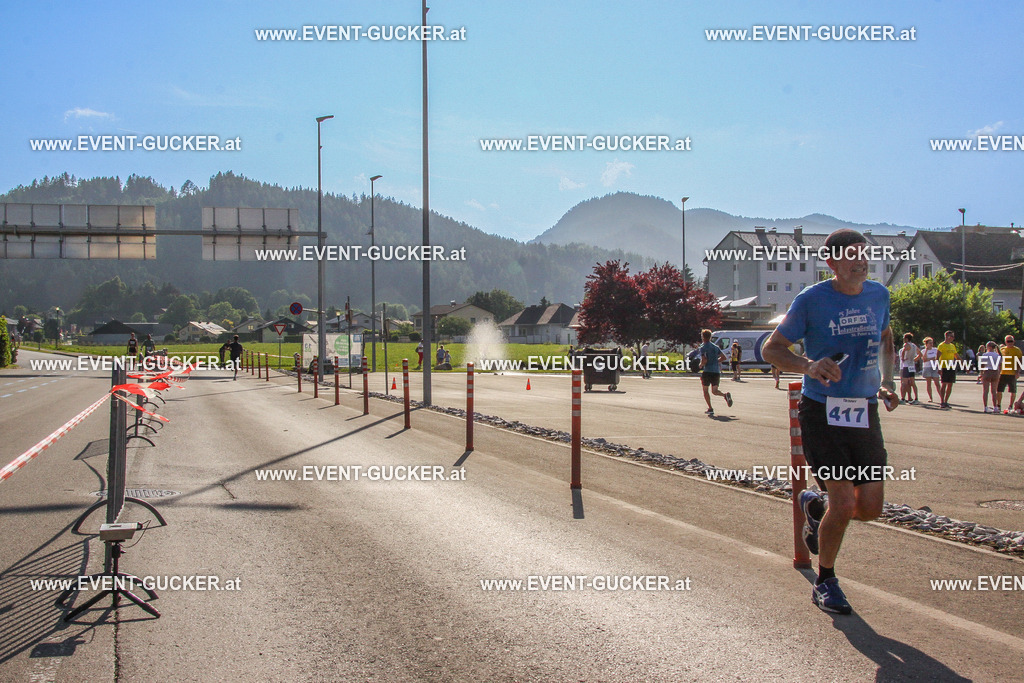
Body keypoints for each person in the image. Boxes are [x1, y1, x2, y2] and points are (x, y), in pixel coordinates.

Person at [762, 228, 899, 616]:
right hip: (822, 410)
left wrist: (887, 383)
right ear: (832, 262)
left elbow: (886, 338)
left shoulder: (879, 295)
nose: (860, 262)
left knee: (869, 507)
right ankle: (826, 580)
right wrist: (809, 365)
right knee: (843, 501)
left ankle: (816, 510)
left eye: (864, 255)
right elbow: (772, 348)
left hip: (864, 409)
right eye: (851, 256)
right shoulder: (811, 300)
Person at [697, 329, 732, 416]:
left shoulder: (703, 347)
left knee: (706, 390)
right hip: (716, 371)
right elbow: (724, 357)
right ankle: (725, 395)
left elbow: (704, 360)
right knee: (715, 390)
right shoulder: (716, 347)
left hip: (707, 371)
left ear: (703, 337)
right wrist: (716, 361)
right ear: (710, 337)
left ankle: (710, 408)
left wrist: (701, 365)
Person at [997, 335, 1022, 414]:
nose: (1010, 343)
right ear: (1005, 342)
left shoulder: (1017, 350)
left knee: (1013, 391)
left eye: (1011, 341)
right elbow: (998, 361)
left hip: (1012, 373)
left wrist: (1018, 371)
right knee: (999, 390)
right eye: (1008, 341)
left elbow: (1020, 361)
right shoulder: (1002, 350)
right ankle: (998, 405)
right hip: (1003, 373)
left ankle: (1010, 406)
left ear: (1014, 341)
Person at [936, 331, 959, 409]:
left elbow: (956, 356)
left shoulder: (952, 346)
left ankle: (946, 401)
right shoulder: (941, 345)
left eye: (953, 336)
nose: (952, 338)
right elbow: (937, 357)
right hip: (944, 366)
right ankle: (942, 401)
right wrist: (938, 368)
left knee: (950, 384)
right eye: (951, 336)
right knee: (944, 384)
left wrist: (964, 365)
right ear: (947, 336)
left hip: (951, 367)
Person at [979, 341, 1002, 412]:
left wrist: (981, 373)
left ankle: (986, 407)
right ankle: (995, 407)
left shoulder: (985, 355)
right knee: (994, 391)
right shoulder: (998, 355)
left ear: (989, 347)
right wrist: (999, 373)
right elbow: (1000, 365)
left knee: (985, 391)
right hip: (995, 372)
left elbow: (982, 365)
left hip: (987, 371)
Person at [899, 332, 920, 404]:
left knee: (904, 383)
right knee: (912, 382)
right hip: (912, 365)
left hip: (906, 365)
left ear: (906, 339)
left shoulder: (906, 345)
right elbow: (920, 354)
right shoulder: (914, 345)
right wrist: (914, 359)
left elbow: (903, 351)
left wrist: (902, 358)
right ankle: (916, 398)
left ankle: (903, 398)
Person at [919, 337, 941, 403]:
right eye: (930, 343)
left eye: (932, 343)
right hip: (927, 367)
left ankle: (941, 397)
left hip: (934, 367)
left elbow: (936, 358)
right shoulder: (923, 351)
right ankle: (931, 398)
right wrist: (926, 350)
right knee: (928, 383)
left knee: (937, 383)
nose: (931, 344)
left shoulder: (935, 350)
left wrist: (930, 359)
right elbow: (924, 359)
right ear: (926, 344)